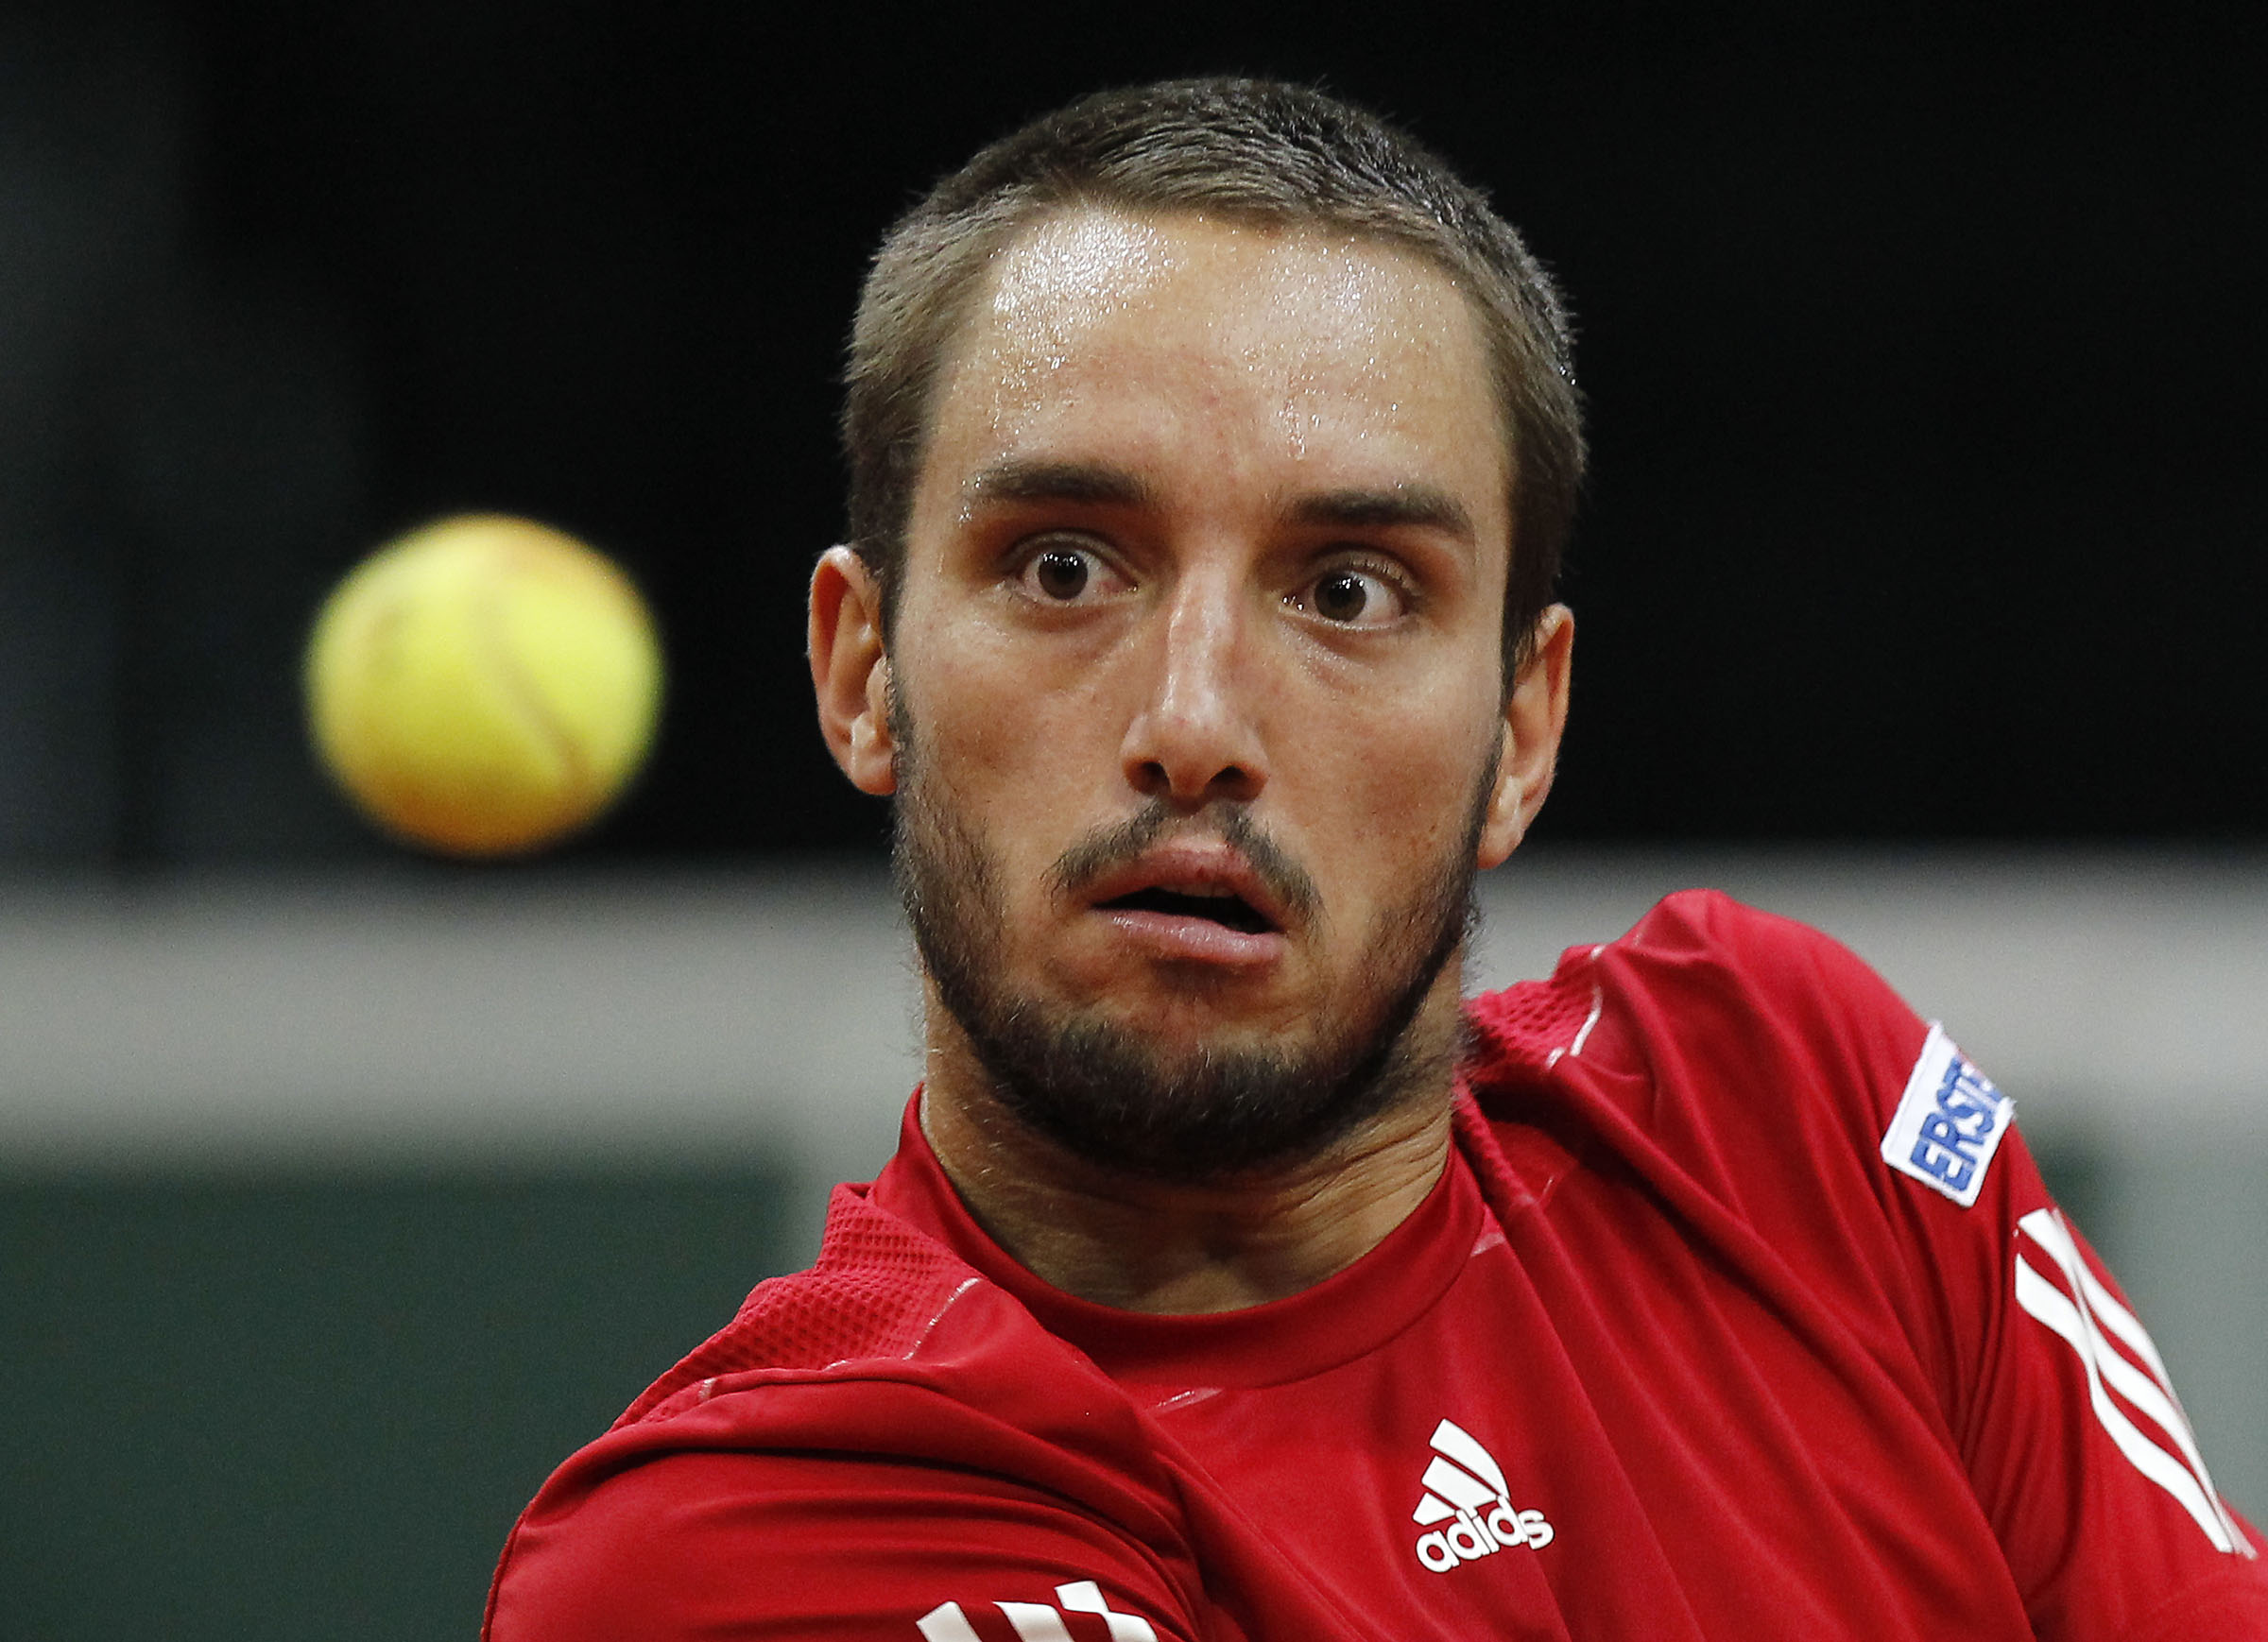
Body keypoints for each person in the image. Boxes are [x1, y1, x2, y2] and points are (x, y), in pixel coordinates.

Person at [484, 78, 2268, 1640]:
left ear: (1525, 727)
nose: (1193, 719)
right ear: (864, 675)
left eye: (1348, 591)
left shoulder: (1790, 1108)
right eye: (1063, 566)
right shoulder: (737, 1545)